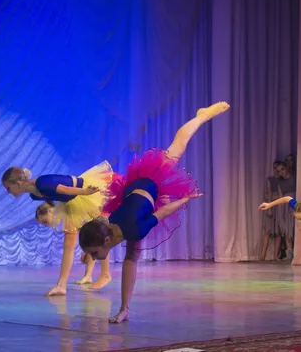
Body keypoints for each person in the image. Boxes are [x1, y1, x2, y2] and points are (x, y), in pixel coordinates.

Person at [79, 102, 229, 323]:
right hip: (129, 193)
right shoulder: (104, 224)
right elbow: (98, 228)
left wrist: (185, 199)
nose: (91, 258)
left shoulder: (135, 229)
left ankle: (201, 117)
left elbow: (164, 212)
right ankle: (124, 309)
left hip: (151, 180)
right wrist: (86, 249)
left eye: (92, 253)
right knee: (131, 255)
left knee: (178, 145)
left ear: (107, 240)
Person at [2, 161, 114, 296]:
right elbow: (56, 196)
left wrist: (85, 192)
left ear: (18, 184)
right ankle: (62, 285)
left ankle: (105, 274)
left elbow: (65, 190)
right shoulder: (34, 194)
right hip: (71, 202)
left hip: (81, 194)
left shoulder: (42, 183)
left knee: (98, 233)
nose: (7, 192)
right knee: (70, 243)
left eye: (8, 188)